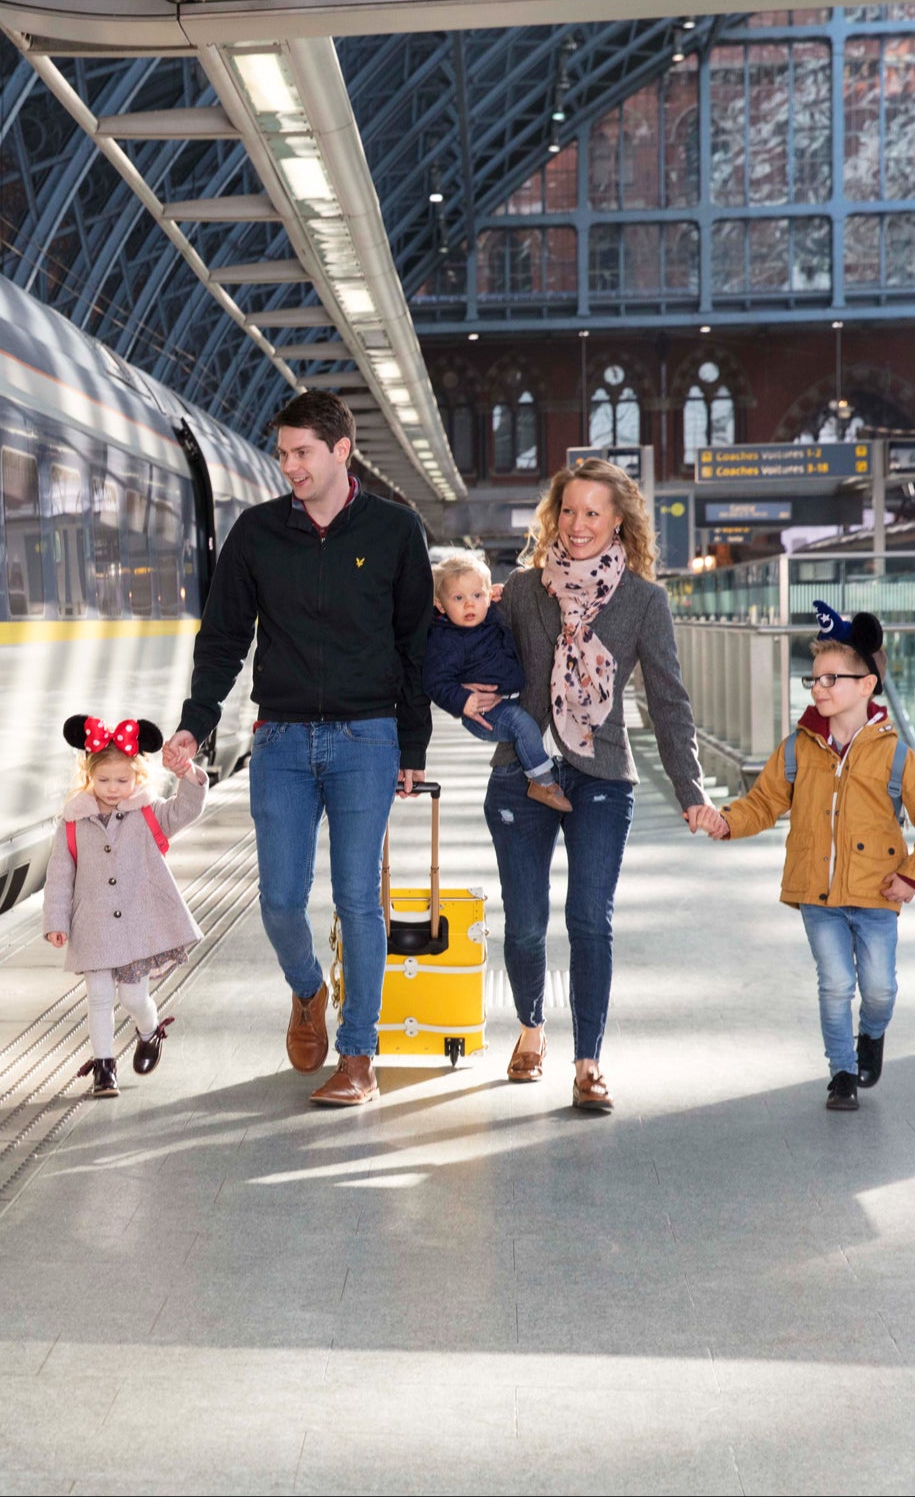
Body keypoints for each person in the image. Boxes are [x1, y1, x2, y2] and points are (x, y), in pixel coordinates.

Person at [164, 392, 432, 1108]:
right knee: (280, 900)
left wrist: (414, 743)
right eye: (282, 453)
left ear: (341, 450)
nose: (289, 466)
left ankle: (357, 1056)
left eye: (301, 452)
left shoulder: (397, 530)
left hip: (366, 738)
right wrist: (196, 722)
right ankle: (309, 990)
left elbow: (415, 644)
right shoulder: (257, 534)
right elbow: (222, 639)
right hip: (279, 738)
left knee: (357, 900)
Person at [480, 457, 705, 1114]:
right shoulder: (522, 591)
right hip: (522, 775)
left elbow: (669, 700)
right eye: (569, 511)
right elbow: (482, 662)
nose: (578, 525)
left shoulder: (643, 600)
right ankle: (530, 1026)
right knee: (524, 925)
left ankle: (588, 1062)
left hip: (603, 773)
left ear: (619, 522)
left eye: (593, 513)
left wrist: (689, 788)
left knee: (589, 920)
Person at [687, 603, 915, 1112]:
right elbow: (762, 803)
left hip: (878, 894)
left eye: (833, 678)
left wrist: (914, 876)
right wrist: (724, 821)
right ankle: (842, 1074)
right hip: (818, 894)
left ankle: (870, 1035)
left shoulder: (896, 755)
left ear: (867, 685)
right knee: (834, 985)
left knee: (878, 990)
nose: (819, 687)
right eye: (815, 678)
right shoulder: (797, 749)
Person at [42, 716, 210, 1098]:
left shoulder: (149, 813)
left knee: (133, 997)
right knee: (99, 997)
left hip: (136, 926)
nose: (113, 789)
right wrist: (56, 921)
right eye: (103, 781)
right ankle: (105, 1068)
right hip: (94, 926)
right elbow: (59, 875)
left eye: (122, 780)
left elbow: (186, 810)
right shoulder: (72, 822)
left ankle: (149, 1031)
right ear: (88, 777)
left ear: (138, 777)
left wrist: (189, 774)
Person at [425, 553, 572, 813]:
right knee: (522, 726)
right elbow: (434, 681)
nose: (469, 605)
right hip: (481, 712)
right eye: (458, 599)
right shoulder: (446, 640)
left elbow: (493, 605)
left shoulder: (487, 615)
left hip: (507, 699)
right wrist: (462, 700)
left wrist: (494, 597)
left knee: (524, 722)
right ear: (440, 604)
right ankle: (542, 781)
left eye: (477, 596)